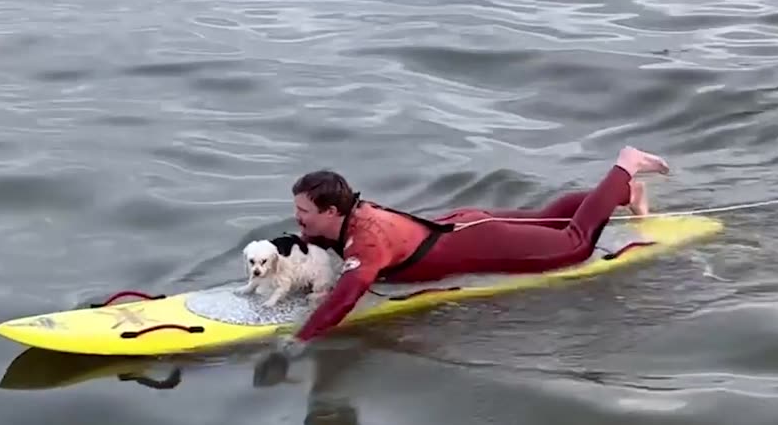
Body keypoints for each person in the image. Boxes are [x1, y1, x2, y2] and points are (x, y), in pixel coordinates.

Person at [279, 146, 670, 351]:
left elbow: (347, 297)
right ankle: (626, 192)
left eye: (303, 212)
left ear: (332, 211)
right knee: (549, 218)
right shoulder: (345, 215)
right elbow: (314, 241)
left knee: (575, 244)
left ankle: (625, 168)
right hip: (463, 226)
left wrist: (301, 340)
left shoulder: (366, 241)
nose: (297, 218)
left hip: (480, 240)